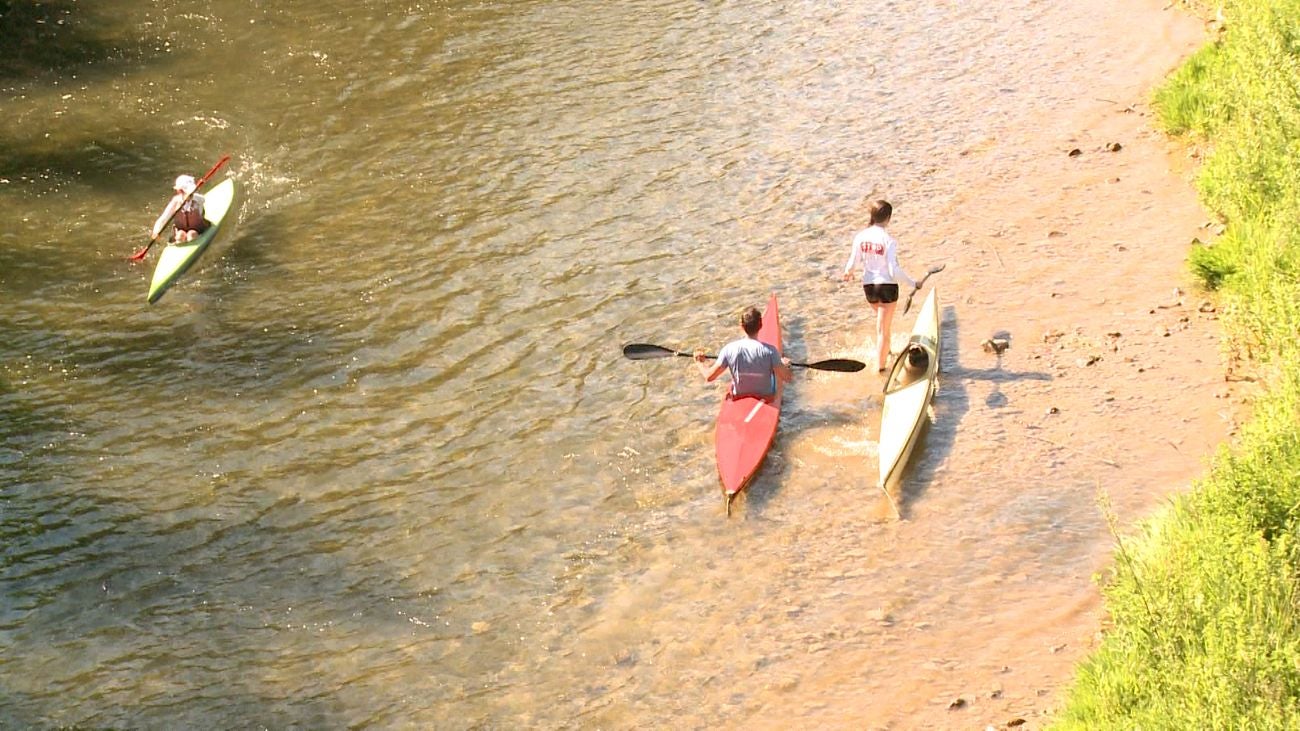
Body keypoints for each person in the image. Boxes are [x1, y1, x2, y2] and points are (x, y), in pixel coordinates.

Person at [841, 199, 917, 373]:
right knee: (883, 331)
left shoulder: (860, 237)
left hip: (869, 288)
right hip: (887, 288)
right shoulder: (888, 240)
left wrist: (848, 273)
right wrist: (913, 283)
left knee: (883, 326)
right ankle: (880, 369)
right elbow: (893, 269)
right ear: (888, 218)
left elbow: (853, 263)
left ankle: (886, 352)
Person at [694, 306, 793, 398]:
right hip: (766, 396)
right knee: (774, 370)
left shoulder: (728, 349)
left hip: (739, 395)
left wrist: (699, 362)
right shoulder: (771, 351)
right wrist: (786, 366)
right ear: (761, 325)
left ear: (741, 326)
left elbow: (709, 377)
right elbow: (787, 378)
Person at [151, 174, 209, 244]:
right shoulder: (175, 202)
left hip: (198, 229)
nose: (191, 194)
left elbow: (203, 200)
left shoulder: (198, 199)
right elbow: (163, 218)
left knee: (191, 234)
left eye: (192, 192)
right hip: (181, 230)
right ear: (179, 191)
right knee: (180, 236)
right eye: (187, 192)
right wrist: (156, 231)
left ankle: (194, 242)